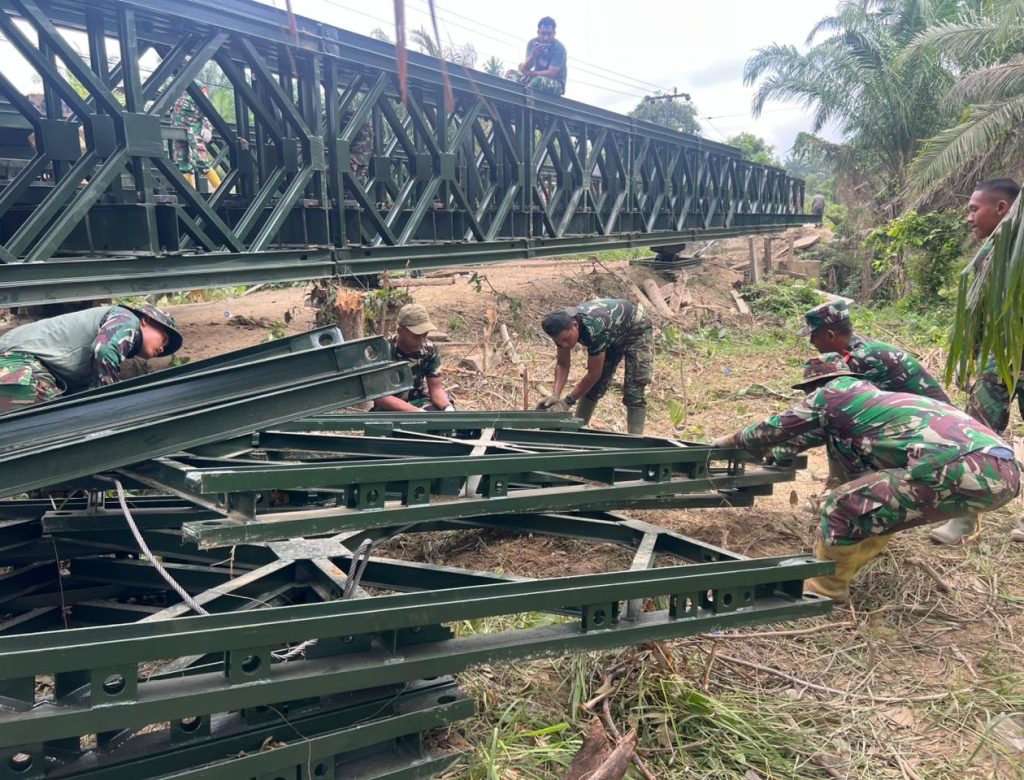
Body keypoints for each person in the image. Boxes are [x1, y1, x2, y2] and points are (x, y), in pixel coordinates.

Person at [711, 354, 1020, 603]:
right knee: (872, 504)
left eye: (808, 392)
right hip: (1004, 473)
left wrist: (732, 440)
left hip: (960, 467)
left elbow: (776, 428)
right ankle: (841, 569)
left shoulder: (833, 393)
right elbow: (801, 439)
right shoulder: (872, 405)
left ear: (817, 385)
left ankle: (825, 589)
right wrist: (770, 455)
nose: (808, 397)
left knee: (841, 504)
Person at [931, 177, 1023, 544]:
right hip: (997, 362)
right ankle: (964, 516)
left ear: (1001, 209)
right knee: (976, 432)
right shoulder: (987, 254)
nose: (969, 217)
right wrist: (969, 355)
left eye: (974, 209)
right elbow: (977, 311)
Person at [781, 300, 952, 485]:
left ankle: (851, 490)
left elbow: (832, 415)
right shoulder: (858, 348)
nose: (812, 342)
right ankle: (841, 485)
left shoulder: (861, 360)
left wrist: (780, 444)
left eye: (814, 336)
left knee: (839, 426)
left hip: (937, 433)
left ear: (830, 335)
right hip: (928, 422)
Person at [0, 304, 183, 413]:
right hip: (18, 365)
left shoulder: (110, 340)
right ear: (146, 320)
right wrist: (110, 404)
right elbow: (103, 351)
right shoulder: (127, 319)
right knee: (54, 424)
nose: (162, 348)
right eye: (164, 339)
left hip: (18, 366)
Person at [539, 298, 653, 435]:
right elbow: (563, 364)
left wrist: (567, 402)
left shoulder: (594, 327)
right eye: (558, 342)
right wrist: (555, 395)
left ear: (575, 325)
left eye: (566, 339)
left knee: (634, 390)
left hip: (636, 329)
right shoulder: (561, 327)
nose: (564, 344)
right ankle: (579, 431)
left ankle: (635, 439)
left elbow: (594, 373)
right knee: (594, 388)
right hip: (611, 332)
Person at [373, 304, 454, 412]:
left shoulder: (429, 350)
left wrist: (447, 407)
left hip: (418, 401)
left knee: (440, 416)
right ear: (400, 330)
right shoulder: (381, 352)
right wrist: (416, 412)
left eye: (425, 335)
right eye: (416, 337)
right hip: (389, 408)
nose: (421, 341)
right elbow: (379, 396)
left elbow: (436, 389)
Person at [170, 84, 221, 190]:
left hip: (193, 129)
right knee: (182, 163)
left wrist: (207, 127)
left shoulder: (198, 87)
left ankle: (220, 189)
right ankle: (191, 193)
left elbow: (207, 109)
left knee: (202, 161)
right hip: (178, 128)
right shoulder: (176, 87)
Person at [508, 16, 567, 96]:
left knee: (537, 81)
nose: (546, 38)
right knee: (511, 74)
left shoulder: (559, 48)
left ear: (554, 33)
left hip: (556, 83)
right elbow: (527, 66)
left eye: (549, 34)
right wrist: (533, 55)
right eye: (543, 34)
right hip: (535, 77)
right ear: (538, 32)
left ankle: (528, 103)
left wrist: (530, 73)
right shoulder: (532, 43)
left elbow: (552, 73)